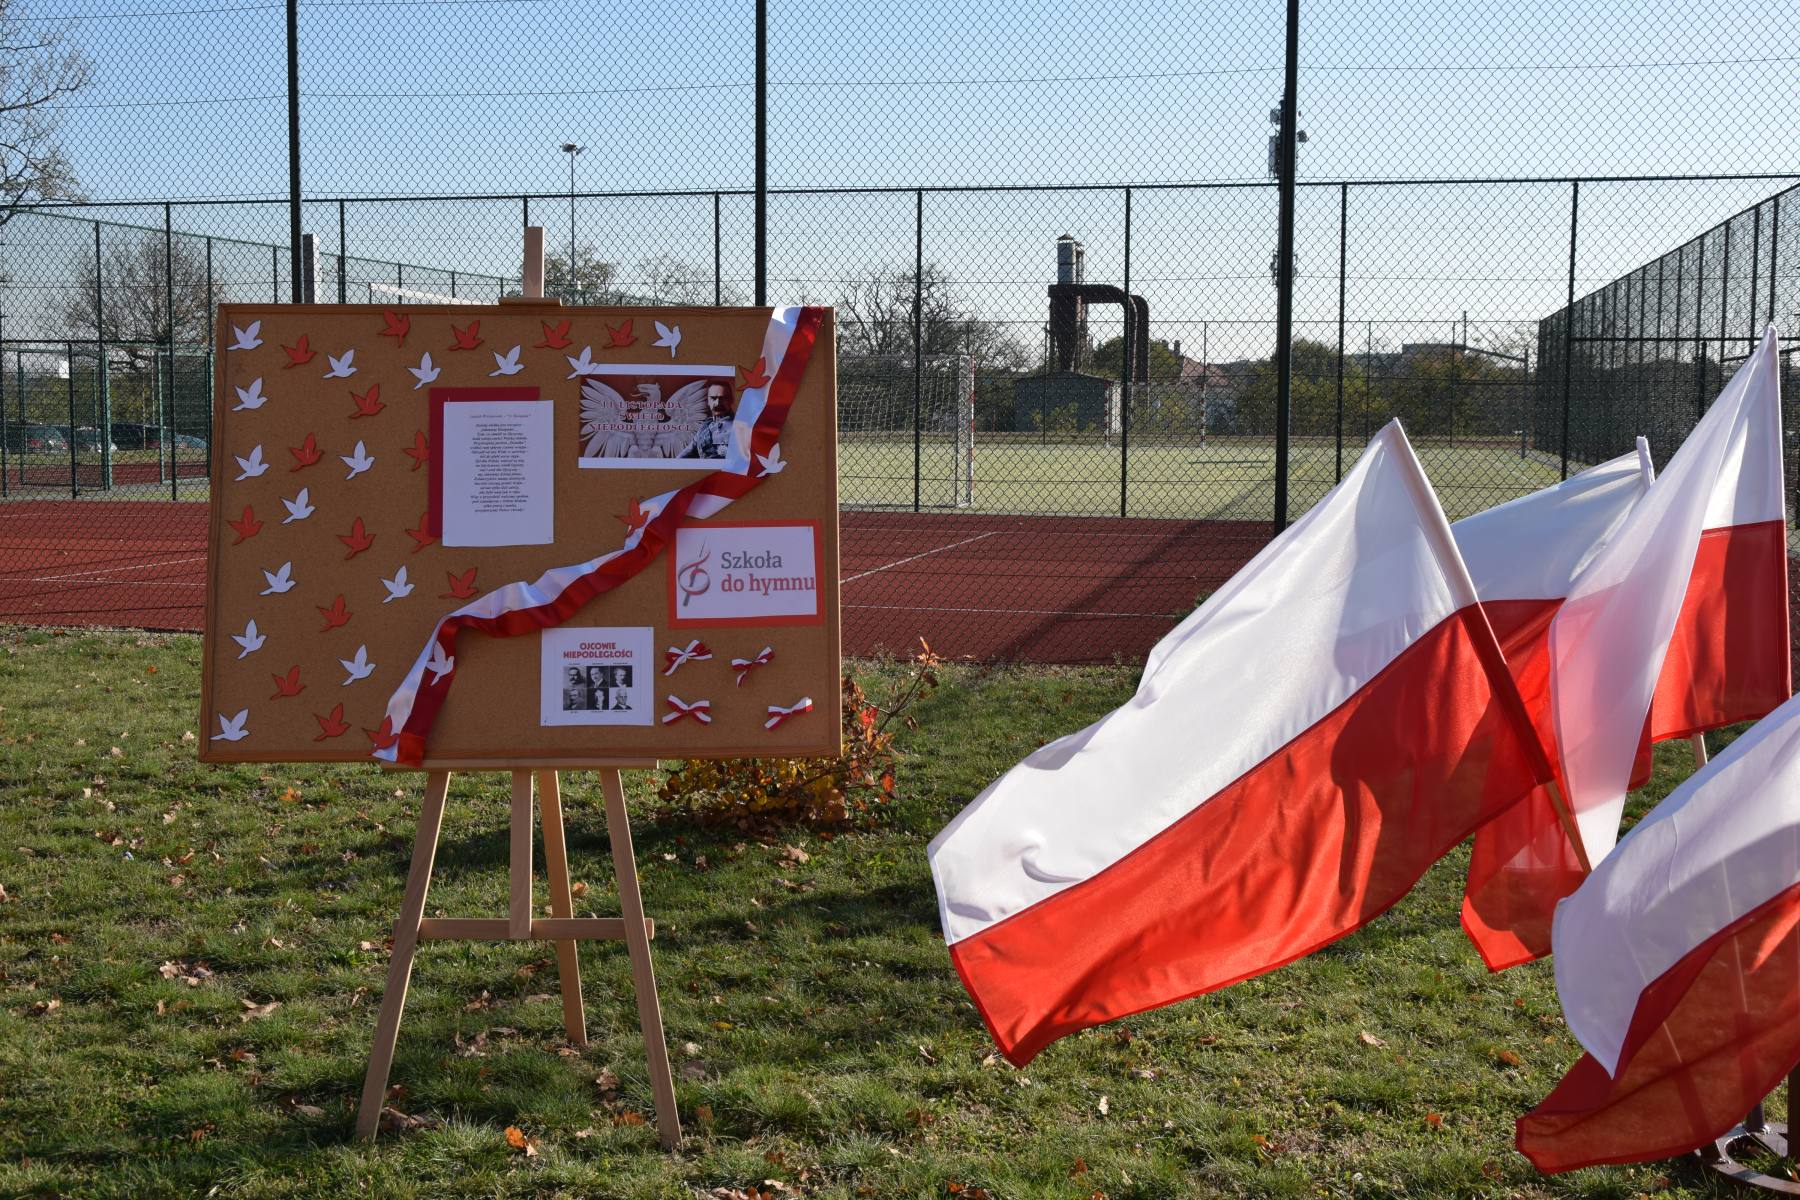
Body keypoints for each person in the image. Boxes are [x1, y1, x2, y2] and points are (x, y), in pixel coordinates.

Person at [677, 382, 739, 460]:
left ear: (731, 400)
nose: (717, 403)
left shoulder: (740, 427)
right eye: (713, 398)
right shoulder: (705, 427)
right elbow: (683, 456)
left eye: (723, 398)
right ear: (708, 401)